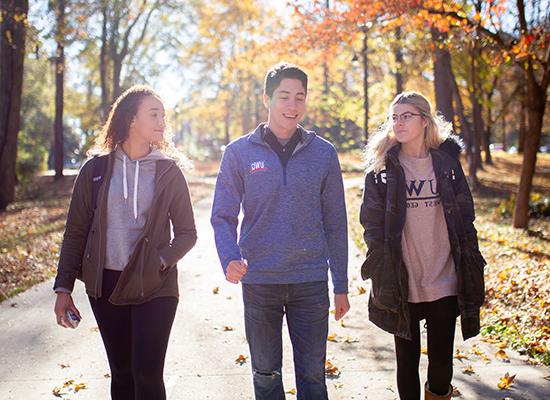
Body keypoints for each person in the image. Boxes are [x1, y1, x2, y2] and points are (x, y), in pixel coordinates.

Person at [211, 62, 350, 400]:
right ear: (267, 99)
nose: (292, 105)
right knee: (265, 374)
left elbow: (335, 221)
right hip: (260, 282)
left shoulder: (324, 153)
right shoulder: (238, 152)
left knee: (313, 377)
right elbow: (222, 215)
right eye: (284, 96)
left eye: (299, 97)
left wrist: (341, 285)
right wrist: (229, 256)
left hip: (310, 282)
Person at [53, 85, 197, 400]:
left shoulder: (168, 171)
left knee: (147, 374)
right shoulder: (95, 170)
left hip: (155, 285)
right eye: (154, 114)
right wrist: (63, 288)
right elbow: (76, 231)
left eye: (164, 115)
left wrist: (160, 260)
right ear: (131, 119)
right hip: (106, 284)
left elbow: (187, 233)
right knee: (122, 374)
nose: (162, 122)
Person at [359, 91, 486, 400]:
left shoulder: (447, 165)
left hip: (444, 278)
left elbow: (465, 217)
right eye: (394, 117)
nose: (398, 123)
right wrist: (380, 265)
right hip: (403, 281)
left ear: (425, 121)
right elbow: (371, 224)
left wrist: (471, 262)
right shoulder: (382, 170)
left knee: (441, 366)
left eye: (406, 116)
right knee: (407, 362)